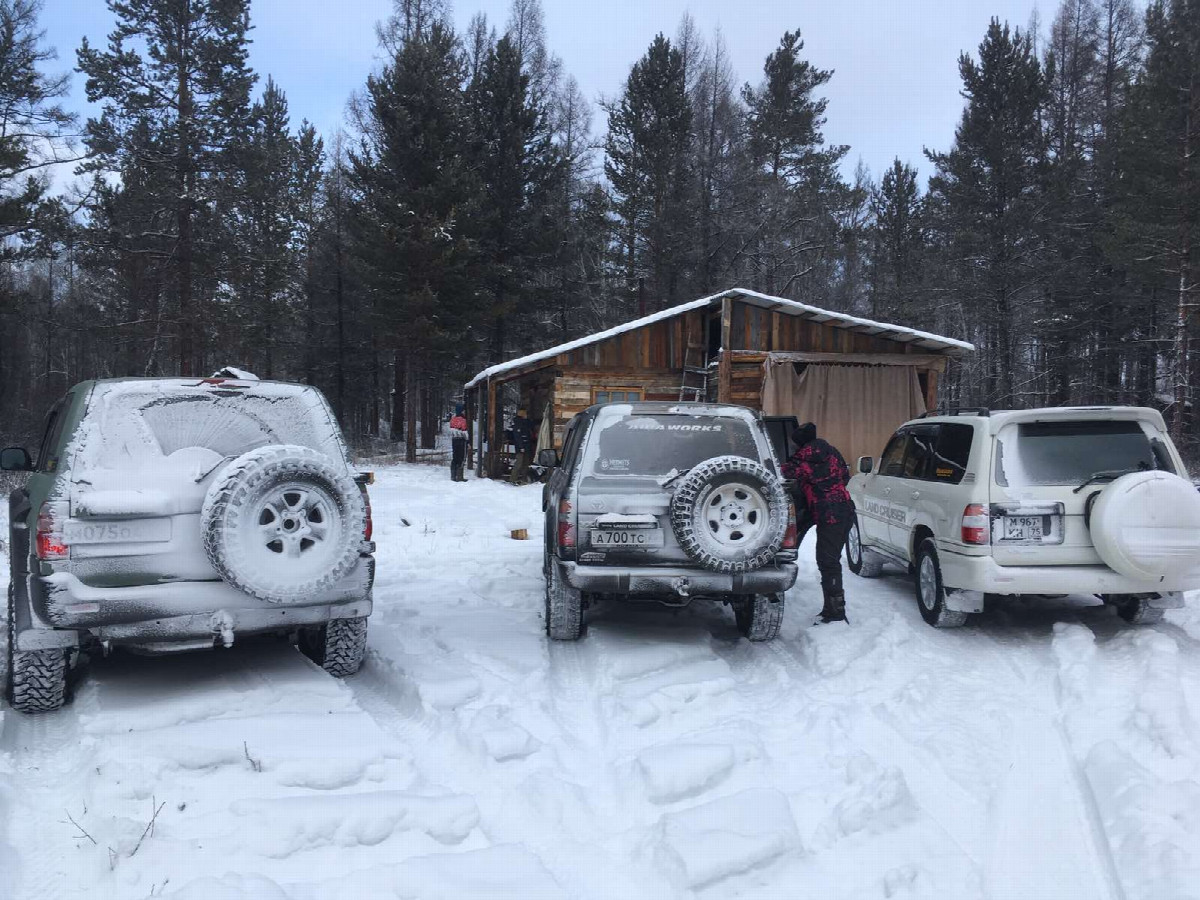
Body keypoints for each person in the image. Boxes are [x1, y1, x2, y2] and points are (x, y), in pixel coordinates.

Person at [782, 422, 853, 624]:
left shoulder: (801, 461)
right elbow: (845, 476)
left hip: (827, 514)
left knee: (828, 562)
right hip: (844, 509)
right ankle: (833, 608)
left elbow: (780, 476)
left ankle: (835, 613)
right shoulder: (832, 452)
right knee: (830, 560)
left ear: (800, 444)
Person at [509, 407, 536, 485]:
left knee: (525, 463)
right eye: (525, 414)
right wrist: (521, 447)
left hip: (527, 446)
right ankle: (513, 479)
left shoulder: (526, 423)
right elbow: (517, 436)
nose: (526, 415)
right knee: (519, 463)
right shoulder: (518, 424)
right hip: (521, 447)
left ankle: (524, 479)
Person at [448, 404, 469, 482]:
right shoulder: (463, 420)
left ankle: (453, 476)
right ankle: (459, 476)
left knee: (455, 458)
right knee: (462, 458)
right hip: (461, 441)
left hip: (454, 440)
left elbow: (451, 429)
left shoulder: (452, 419)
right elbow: (464, 432)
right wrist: (468, 441)